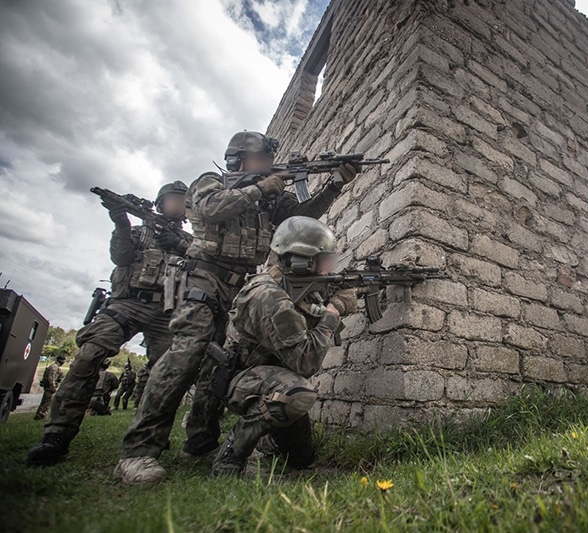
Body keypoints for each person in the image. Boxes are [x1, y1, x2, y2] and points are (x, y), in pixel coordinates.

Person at [114, 131, 359, 484]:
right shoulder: (211, 183)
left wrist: (334, 185)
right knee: (183, 359)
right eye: (261, 161)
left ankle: (200, 443)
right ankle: (138, 452)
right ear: (238, 161)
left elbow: (300, 220)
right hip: (204, 278)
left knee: (218, 367)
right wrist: (261, 187)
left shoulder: (270, 197)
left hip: (241, 282)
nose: (268, 167)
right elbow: (210, 208)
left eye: (269, 162)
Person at [27, 181, 192, 466]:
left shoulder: (190, 241)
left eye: (182, 200)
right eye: (172, 199)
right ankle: (56, 435)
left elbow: (201, 262)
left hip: (166, 311)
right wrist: (121, 223)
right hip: (126, 302)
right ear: (161, 202)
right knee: (88, 357)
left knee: (167, 375)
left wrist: (178, 244)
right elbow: (121, 256)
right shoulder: (139, 233)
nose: (177, 204)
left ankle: (147, 441)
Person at [211, 216, 357, 476]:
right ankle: (230, 458)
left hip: (271, 376)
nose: (330, 267)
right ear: (304, 260)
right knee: (298, 393)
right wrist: (334, 311)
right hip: (242, 380)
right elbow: (305, 362)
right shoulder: (269, 296)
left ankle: (270, 440)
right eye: (326, 259)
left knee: (301, 459)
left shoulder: (294, 285)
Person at [33, 355, 65, 420]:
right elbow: (51, 378)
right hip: (49, 387)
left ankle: (42, 414)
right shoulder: (54, 368)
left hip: (49, 386)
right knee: (46, 401)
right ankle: (41, 414)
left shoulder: (55, 367)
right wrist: (52, 386)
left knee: (47, 401)